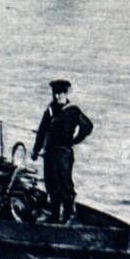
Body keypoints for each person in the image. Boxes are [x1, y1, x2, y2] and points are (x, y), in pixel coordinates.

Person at [31, 79, 94, 224]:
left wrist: (75, 140)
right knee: (51, 183)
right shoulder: (50, 110)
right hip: (50, 153)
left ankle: (68, 215)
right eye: (55, 93)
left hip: (64, 153)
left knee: (65, 183)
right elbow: (41, 132)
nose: (57, 96)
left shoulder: (72, 111)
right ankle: (54, 215)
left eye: (60, 93)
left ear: (66, 93)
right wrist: (36, 150)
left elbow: (88, 126)